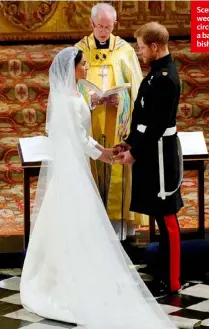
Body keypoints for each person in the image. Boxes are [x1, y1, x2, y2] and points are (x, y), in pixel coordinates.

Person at [20, 46, 178, 329]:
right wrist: (102, 153)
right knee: (73, 221)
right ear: (72, 68)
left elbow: (80, 135)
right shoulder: (68, 100)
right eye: (83, 65)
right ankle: (65, 279)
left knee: (73, 222)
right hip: (74, 167)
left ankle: (72, 272)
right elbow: (77, 137)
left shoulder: (73, 94)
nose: (86, 69)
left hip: (77, 164)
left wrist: (103, 150)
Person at [116, 22, 184, 296]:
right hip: (150, 150)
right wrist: (130, 142)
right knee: (158, 214)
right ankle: (163, 272)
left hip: (159, 155)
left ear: (154, 47)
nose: (140, 52)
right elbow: (142, 118)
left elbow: (156, 125)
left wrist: (134, 152)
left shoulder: (165, 77)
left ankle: (173, 279)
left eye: (142, 47)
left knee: (167, 218)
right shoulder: (156, 73)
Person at [75, 3, 148, 241]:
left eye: (108, 27)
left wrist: (123, 100)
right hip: (91, 121)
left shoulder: (124, 50)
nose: (104, 31)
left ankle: (119, 229)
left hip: (118, 122)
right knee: (92, 164)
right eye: (99, 26)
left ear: (115, 24)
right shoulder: (79, 50)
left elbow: (136, 89)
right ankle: (90, 227)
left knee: (117, 167)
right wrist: (90, 98)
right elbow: (71, 87)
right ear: (91, 24)